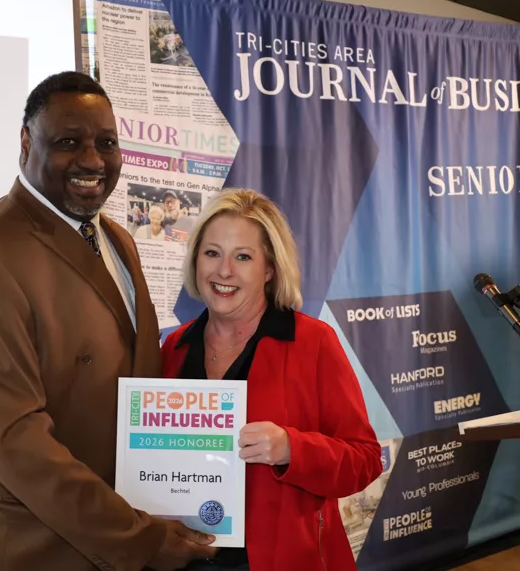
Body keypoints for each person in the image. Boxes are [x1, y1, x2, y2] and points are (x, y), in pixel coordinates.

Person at [0, 71, 218, 571]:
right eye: (68, 142)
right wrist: (139, 538)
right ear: (26, 144)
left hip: (103, 540)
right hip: (15, 551)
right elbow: (15, 442)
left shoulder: (117, 239)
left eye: (107, 143)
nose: (93, 160)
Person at [161, 188, 383, 570]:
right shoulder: (174, 348)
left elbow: (364, 460)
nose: (224, 271)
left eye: (243, 257)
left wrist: (291, 449)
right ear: (195, 260)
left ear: (269, 269)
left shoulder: (313, 343)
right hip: (187, 558)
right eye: (212, 253)